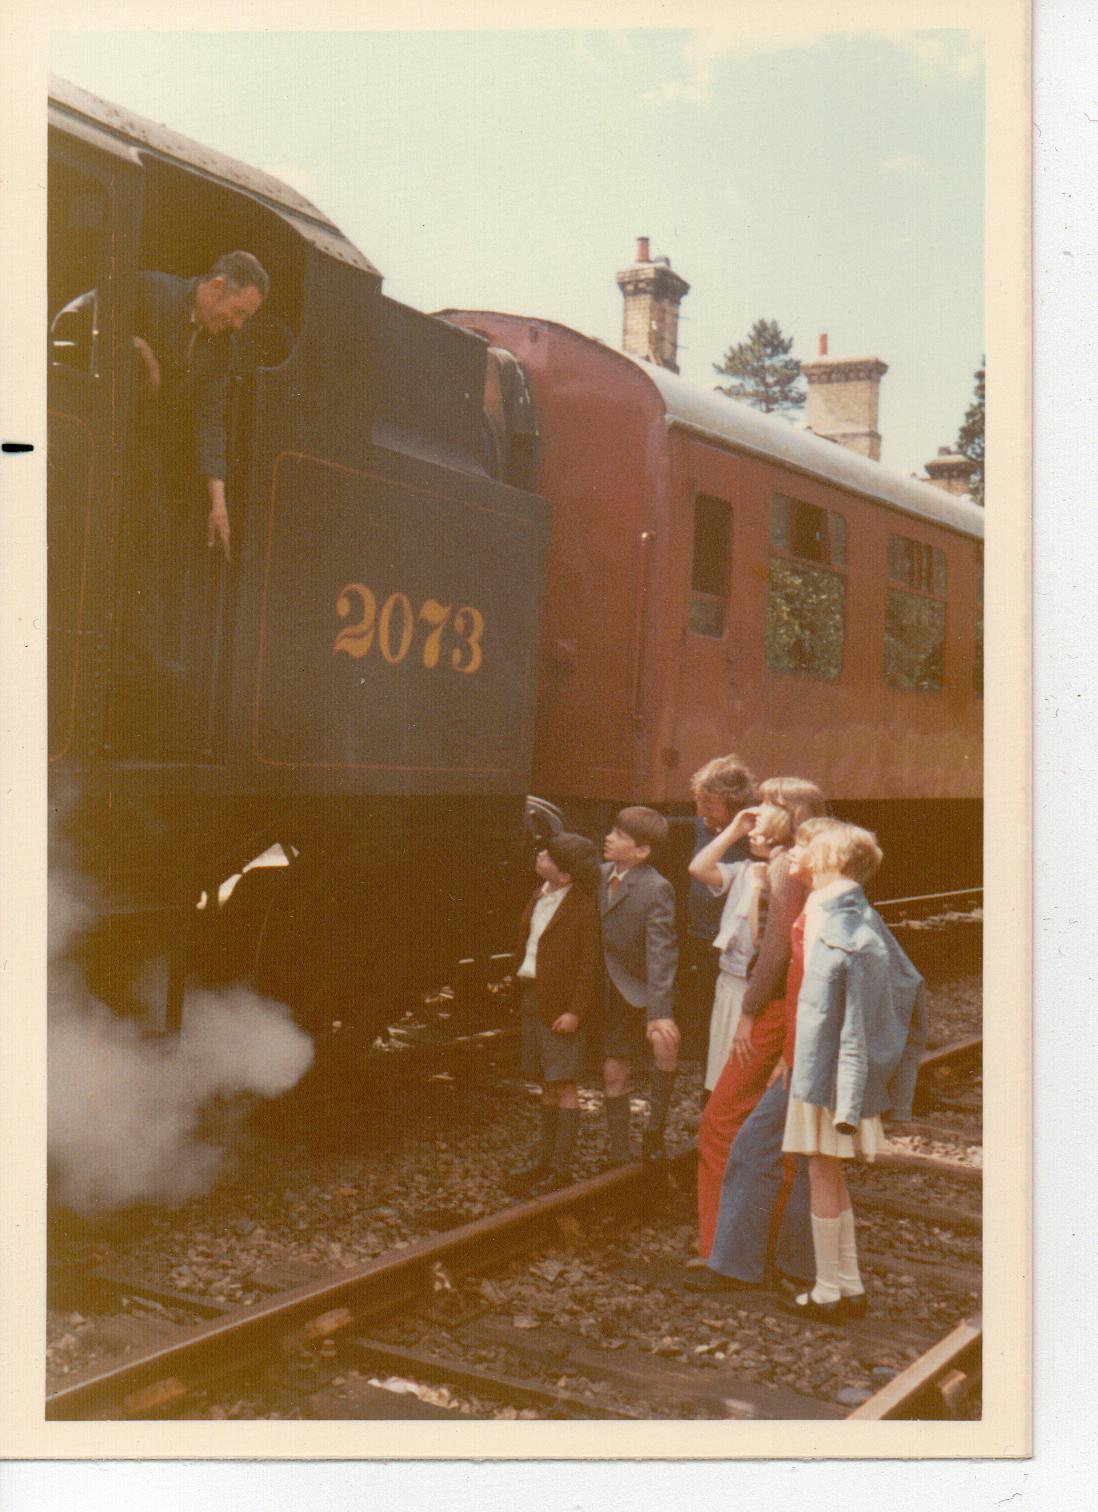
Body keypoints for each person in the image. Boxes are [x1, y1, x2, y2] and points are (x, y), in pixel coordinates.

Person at [780, 821, 927, 1322]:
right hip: (844, 1066)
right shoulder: (858, 908)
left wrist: (820, 1076)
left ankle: (827, 1291)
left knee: (821, 1170)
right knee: (832, 1173)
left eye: (811, 850)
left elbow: (823, 1002)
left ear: (830, 861)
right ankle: (850, 1283)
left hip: (828, 1068)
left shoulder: (828, 913)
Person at [684, 816, 834, 1294]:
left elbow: (789, 970)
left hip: (783, 1026)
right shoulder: (798, 887)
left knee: (737, 1130)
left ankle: (733, 1254)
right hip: (784, 1025)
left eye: (768, 808)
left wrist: (781, 1042)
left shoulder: (810, 897)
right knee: (767, 1142)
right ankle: (746, 1254)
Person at [506, 833, 603, 1196]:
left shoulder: (581, 908)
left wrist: (575, 1012)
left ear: (566, 876)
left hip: (560, 1007)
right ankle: (544, 1160)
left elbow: (588, 966)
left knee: (563, 1083)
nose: (540, 857)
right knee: (546, 1081)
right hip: (535, 996)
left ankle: (560, 1167)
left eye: (548, 857)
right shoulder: (541, 894)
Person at [599, 807, 680, 1166]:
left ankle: (653, 1133)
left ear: (642, 851)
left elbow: (661, 952)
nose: (609, 838)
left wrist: (658, 1012)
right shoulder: (598, 875)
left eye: (619, 835)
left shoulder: (655, 887)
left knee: (663, 1045)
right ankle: (619, 1149)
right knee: (612, 1069)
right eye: (612, 831)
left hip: (634, 991)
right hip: (600, 987)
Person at [675, 756, 757, 1074]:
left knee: (722, 1006)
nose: (700, 812)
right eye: (699, 801)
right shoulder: (703, 825)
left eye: (708, 803)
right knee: (702, 998)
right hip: (699, 930)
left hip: (729, 939)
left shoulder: (752, 837)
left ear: (734, 802)